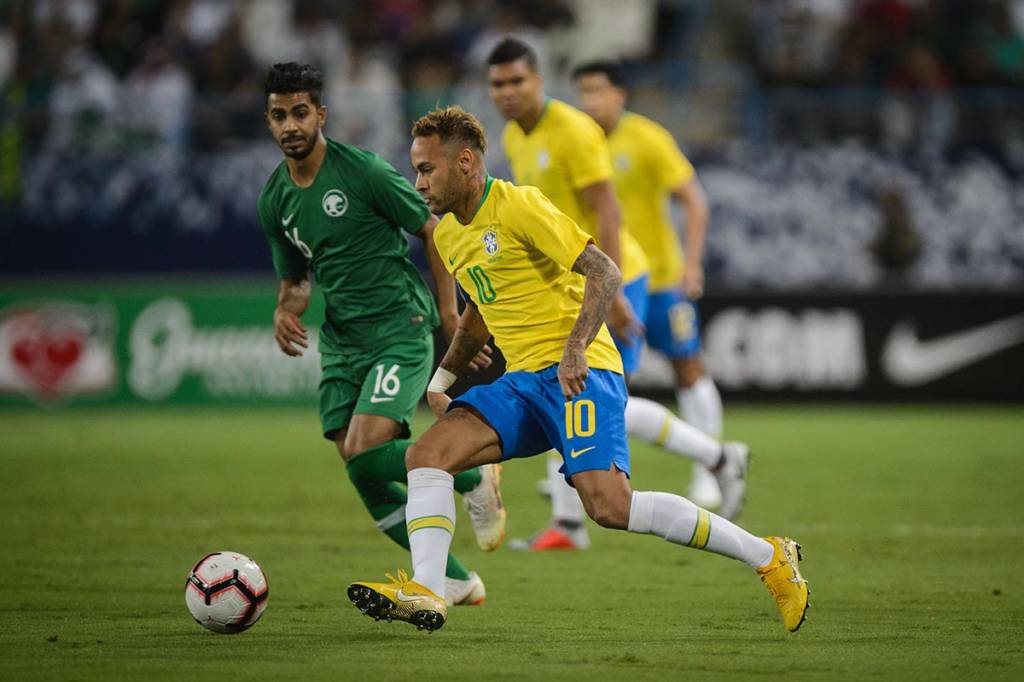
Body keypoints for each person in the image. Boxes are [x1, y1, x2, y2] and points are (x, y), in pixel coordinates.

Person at [346, 106, 809, 633]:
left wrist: (575, 347)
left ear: (466, 162)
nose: (419, 183)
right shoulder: (450, 235)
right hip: (521, 384)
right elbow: (479, 312)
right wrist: (443, 379)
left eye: (427, 169)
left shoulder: (519, 206)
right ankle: (429, 590)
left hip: (581, 374)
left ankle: (769, 556)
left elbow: (604, 271)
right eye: (417, 169)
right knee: (426, 456)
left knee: (610, 507)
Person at [256, 63, 504, 607]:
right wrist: (284, 309)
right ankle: (458, 581)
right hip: (342, 341)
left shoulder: (363, 171)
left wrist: (449, 315)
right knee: (359, 467)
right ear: (268, 121)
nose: (290, 125)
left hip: (399, 326)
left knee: (366, 448)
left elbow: (432, 229)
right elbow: (296, 280)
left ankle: (472, 476)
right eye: (279, 115)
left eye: (300, 112)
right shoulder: (274, 199)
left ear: (320, 115)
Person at [486, 38, 746, 552]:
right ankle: (571, 523)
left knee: (598, 393)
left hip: (613, 275)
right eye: (497, 84)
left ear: (538, 81)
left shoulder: (576, 131)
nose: (507, 92)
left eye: (517, 80)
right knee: (566, 387)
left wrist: (616, 291)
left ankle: (717, 458)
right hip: (570, 279)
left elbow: (608, 212)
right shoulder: (516, 136)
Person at [572, 59, 731, 510]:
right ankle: (584, 475)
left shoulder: (647, 139)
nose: (589, 100)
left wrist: (692, 265)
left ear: (620, 95)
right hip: (606, 280)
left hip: (659, 279)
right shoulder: (575, 141)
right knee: (606, 378)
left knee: (688, 367)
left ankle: (709, 471)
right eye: (583, 91)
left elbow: (694, 201)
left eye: (598, 90)